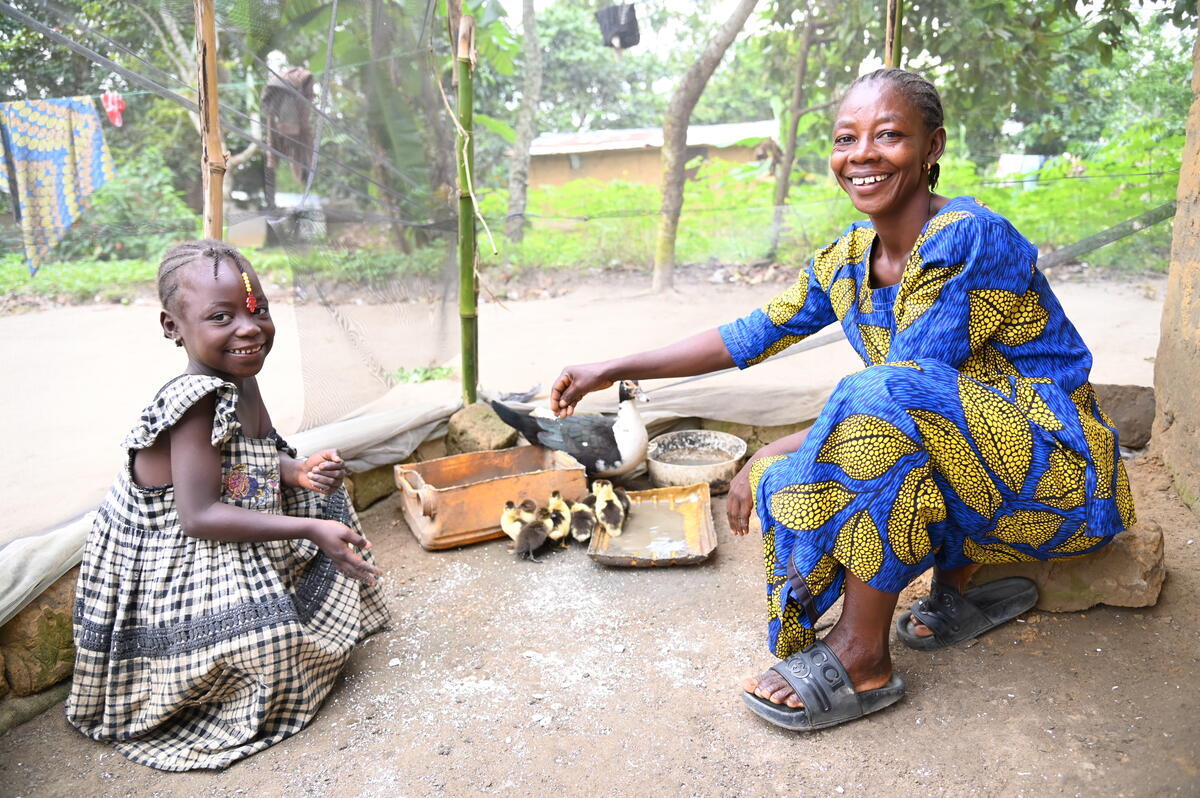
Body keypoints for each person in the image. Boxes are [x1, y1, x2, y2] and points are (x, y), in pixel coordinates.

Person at [550, 68, 1134, 732]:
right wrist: (614, 365)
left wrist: (773, 440)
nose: (861, 154)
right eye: (844, 138)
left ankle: (862, 658)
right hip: (978, 464)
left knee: (874, 400)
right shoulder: (847, 260)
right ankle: (957, 589)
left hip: (1060, 469)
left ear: (932, 147)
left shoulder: (972, 236)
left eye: (888, 135)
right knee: (789, 469)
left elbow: (912, 380)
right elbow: (748, 334)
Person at [66, 240, 390, 769]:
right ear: (173, 327)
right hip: (170, 559)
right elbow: (198, 516)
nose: (249, 327)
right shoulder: (193, 401)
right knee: (272, 641)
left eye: (257, 309)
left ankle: (296, 614)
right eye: (222, 316)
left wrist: (300, 471)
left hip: (221, 516)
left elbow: (252, 457)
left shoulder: (242, 376)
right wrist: (305, 533)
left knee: (326, 501)